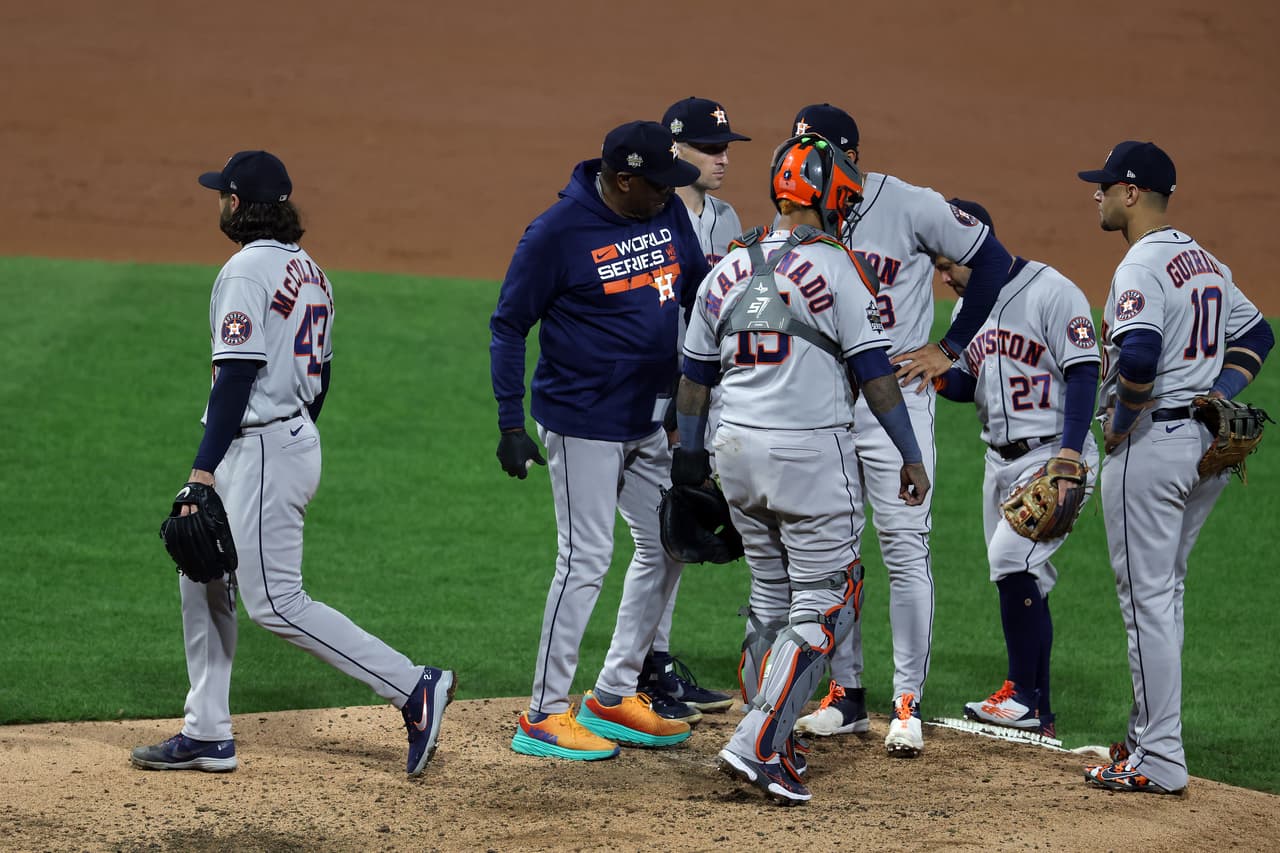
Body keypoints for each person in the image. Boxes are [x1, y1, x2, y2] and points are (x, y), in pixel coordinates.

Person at [132, 151, 455, 777]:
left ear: (236, 203)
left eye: (221, 195)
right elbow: (322, 374)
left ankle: (413, 685)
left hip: (260, 448)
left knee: (275, 602)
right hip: (283, 437)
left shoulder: (244, 271)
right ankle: (206, 731)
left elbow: (236, 375)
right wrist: (293, 434)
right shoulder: (312, 272)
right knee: (201, 575)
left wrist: (203, 471)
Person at [677, 134, 930, 804]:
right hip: (809, 456)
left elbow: (695, 379)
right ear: (833, 197)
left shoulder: (728, 267)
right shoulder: (840, 268)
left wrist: (689, 460)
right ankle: (759, 741)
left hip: (734, 452)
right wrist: (910, 454)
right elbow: (875, 376)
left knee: (770, 596)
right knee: (829, 597)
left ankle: (775, 732)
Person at [784, 105, 1014, 758]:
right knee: (833, 554)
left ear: (847, 156)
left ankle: (907, 700)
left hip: (896, 404)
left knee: (905, 547)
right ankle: (846, 696)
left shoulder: (911, 205)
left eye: (814, 150)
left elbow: (993, 261)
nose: (800, 163)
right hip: (823, 405)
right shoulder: (799, 216)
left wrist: (950, 346)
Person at [490, 121, 712, 761]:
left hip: (651, 418)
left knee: (670, 544)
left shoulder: (666, 211)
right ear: (623, 180)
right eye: (658, 183)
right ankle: (542, 713)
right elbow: (509, 325)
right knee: (585, 558)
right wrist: (510, 422)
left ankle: (614, 692)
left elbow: (700, 291)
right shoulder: (557, 233)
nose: (670, 193)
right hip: (581, 420)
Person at [1077, 141, 1273, 793]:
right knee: (1165, 593)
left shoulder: (1140, 264)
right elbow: (1258, 334)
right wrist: (1217, 392)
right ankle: (1147, 737)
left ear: (1132, 193)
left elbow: (1138, 355)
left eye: (1106, 186)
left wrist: (1120, 425)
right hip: (1200, 449)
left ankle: (1159, 755)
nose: (1097, 195)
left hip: (1152, 448)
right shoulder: (1203, 260)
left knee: (1147, 601)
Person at [930, 199, 1100, 740]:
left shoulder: (1053, 291)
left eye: (947, 264)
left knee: (1010, 560)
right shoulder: (968, 309)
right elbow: (968, 382)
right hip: (997, 462)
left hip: (1053, 455)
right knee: (1026, 576)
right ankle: (1039, 714)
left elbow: (1084, 371)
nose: (943, 277)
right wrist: (929, 372)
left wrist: (1069, 455)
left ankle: (1022, 695)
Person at [632, 96, 753, 722]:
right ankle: (640, 671)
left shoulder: (728, 217)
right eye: (709, 148)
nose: (722, 158)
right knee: (659, 538)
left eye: (726, 147)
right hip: (658, 397)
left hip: (706, 394)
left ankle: (655, 664)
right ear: (674, 148)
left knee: (676, 536)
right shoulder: (653, 213)